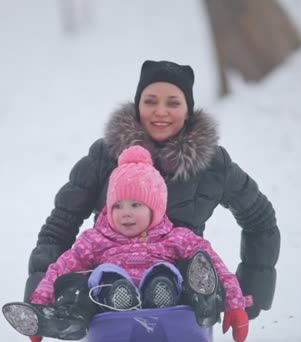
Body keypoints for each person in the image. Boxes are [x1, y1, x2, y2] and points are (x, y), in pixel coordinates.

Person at [24, 60, 280, 321]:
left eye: (173, 103)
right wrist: (39, 304)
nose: (160, 111)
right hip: (108, 297)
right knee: (82, 284)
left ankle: (191, 293)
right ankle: (73, 314)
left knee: (190, 274)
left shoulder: (213, 165)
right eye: (150, 102)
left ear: (188, 110)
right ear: (138, 107)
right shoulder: (105, 156)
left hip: (183, 302)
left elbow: (260, 219)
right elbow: (60, 226)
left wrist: (247, 298)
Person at [4, 146, 251, 342]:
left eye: (136, 205)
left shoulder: (176, 237)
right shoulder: (96, 240)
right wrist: (40, 303)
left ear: (155, 208)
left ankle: (199, 299)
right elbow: (59, 268)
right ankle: (65, 318)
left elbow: (217, 267)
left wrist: (235, 305)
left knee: (193, 266)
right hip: (109, 309)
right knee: (81, 281)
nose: (126, 213)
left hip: (173, 308)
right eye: (118, 206)